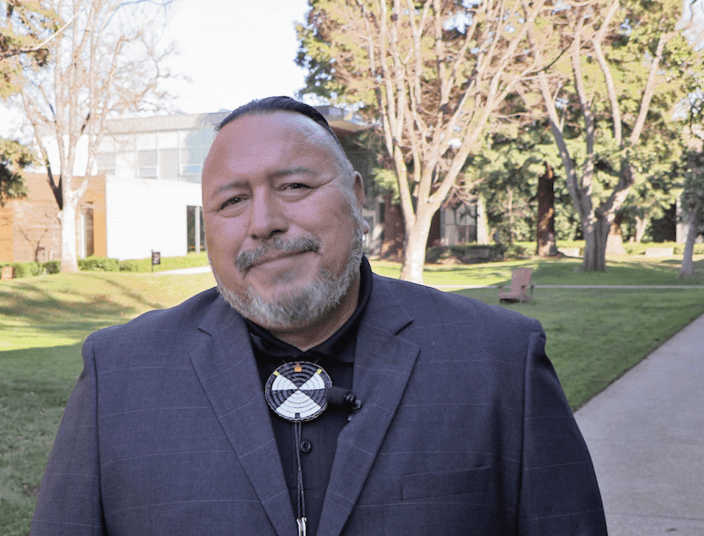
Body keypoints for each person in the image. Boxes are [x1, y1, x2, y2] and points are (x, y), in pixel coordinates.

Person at [31, 97, 607, 536]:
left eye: (294, 186)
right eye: (232, 201)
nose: (264, 222)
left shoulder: (500, 363)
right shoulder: (119, 376)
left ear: (356, 200)